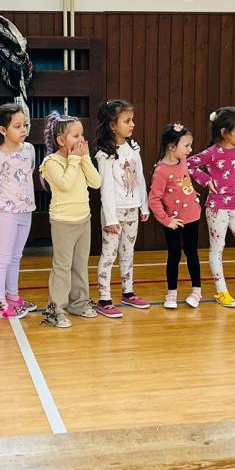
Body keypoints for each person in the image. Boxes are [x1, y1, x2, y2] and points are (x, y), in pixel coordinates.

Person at [188, 107, 235, 307]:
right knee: (217, 249)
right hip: (218, 208)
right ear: (224, 132)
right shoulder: (212, 152)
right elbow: (188, 164)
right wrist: (205, 180)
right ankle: (222, 292)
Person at [39, 112, 102, 327]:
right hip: (63, 222)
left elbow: (96, 182)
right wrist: (75, 159)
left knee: (80, 265)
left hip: (83, 219)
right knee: (62, 267)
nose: (81, 140)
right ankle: (56, 310)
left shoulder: (80, 159)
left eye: (82, 135)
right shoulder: (51, 162)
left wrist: (85, 158)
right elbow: (65, 184)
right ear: (61, 140)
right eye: (76, 136)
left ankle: (79, 303)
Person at [93, 99, 150, 315]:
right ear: (112, 125)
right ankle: (104, 299)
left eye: (132, 120)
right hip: (114, 212)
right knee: (109, 255)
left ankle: (128, 292)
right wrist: (110, 219)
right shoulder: (105, 154)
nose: (132, 124)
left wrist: (143, 206)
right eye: (127, 121)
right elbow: (106, 188)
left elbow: (140, 178)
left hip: (132, 209)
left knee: (128, 253)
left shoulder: (133, 147)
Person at [0, 103, 37, 319]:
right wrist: (3, 203)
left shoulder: (29, 149)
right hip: (5, 214)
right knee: (3, 259)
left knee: (16, 257)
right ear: (3, 130)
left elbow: (29, 172)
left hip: (25, 211)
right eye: (17, 126)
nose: (23, 130)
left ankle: (12, 296)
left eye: (25, 125)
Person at [148, 123, 203, 309]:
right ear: (172, 146)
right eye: (186, 146)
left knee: (192, 253)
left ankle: (197, 291)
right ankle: (171, 293)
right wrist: (166, 220)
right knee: (174, 255)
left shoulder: (183, 160)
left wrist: (191, 193)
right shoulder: (161, 171)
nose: (190, 150)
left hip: (192, 216)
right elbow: (153, 199)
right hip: (174, 221)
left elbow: (184, 181)